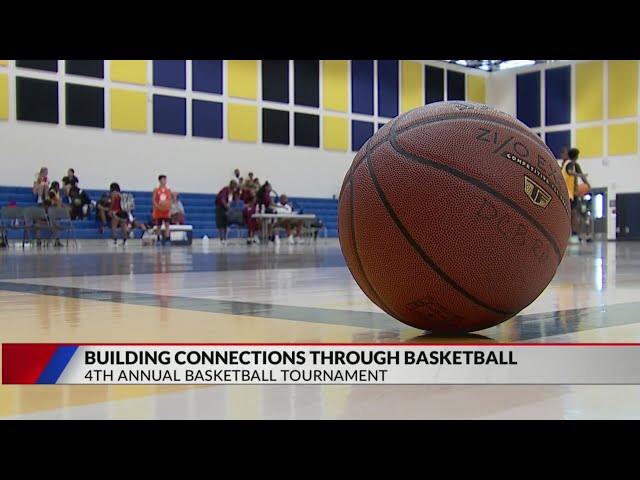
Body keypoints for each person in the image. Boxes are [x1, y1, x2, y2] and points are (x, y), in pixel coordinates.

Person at [562, 148, 591, 244]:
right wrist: (579, 175)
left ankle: (575, 235)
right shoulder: (568, 164)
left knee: (574, 216)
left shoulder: (575, 165)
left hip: (572, 194)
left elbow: (582, 176)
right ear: (576, 156)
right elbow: (570, 172)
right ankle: (572, 235)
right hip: (567, 194)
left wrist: (588, 185)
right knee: (572, 216)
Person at [216, 180, 237, 245]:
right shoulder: (225, 190)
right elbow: (222, 200)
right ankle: (221, 238)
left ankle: (225, 238)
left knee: (225, 224)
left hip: (227, 208)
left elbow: (234, 200)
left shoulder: (232, 192)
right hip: (220, 208)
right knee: (221, 224)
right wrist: (227, 207)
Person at [152, 175, 172, 245]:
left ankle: (167, 239)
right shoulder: (156, 190)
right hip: (158, 210)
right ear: (160, 181)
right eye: (163, 180)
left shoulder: (168, 190)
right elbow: (154, 200)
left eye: (165, 180)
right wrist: (158, 206)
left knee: (167, 224)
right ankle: (158, 238)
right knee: (159, 225)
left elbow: (169, 200)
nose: (164, 181)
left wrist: (168, 207)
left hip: (166, 210)